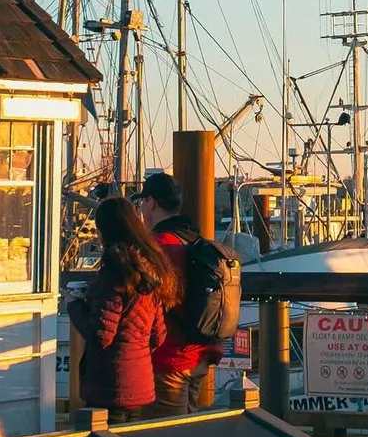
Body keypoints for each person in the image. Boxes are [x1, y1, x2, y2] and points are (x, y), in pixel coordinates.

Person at [137, 170, 240, 416]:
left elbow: (147, 302)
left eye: (143, 202)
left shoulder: (158, 246)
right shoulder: (193, 240)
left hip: (170, 357)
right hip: (200, 354)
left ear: (151, 203)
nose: (141, 208)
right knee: (186, 432)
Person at [64, 196, 174, 416]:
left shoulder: (115, 272)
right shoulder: (149, 270)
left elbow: (101, 336)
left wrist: (74, 305)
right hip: (140, 385)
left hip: (109, 385)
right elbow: (158, 336)